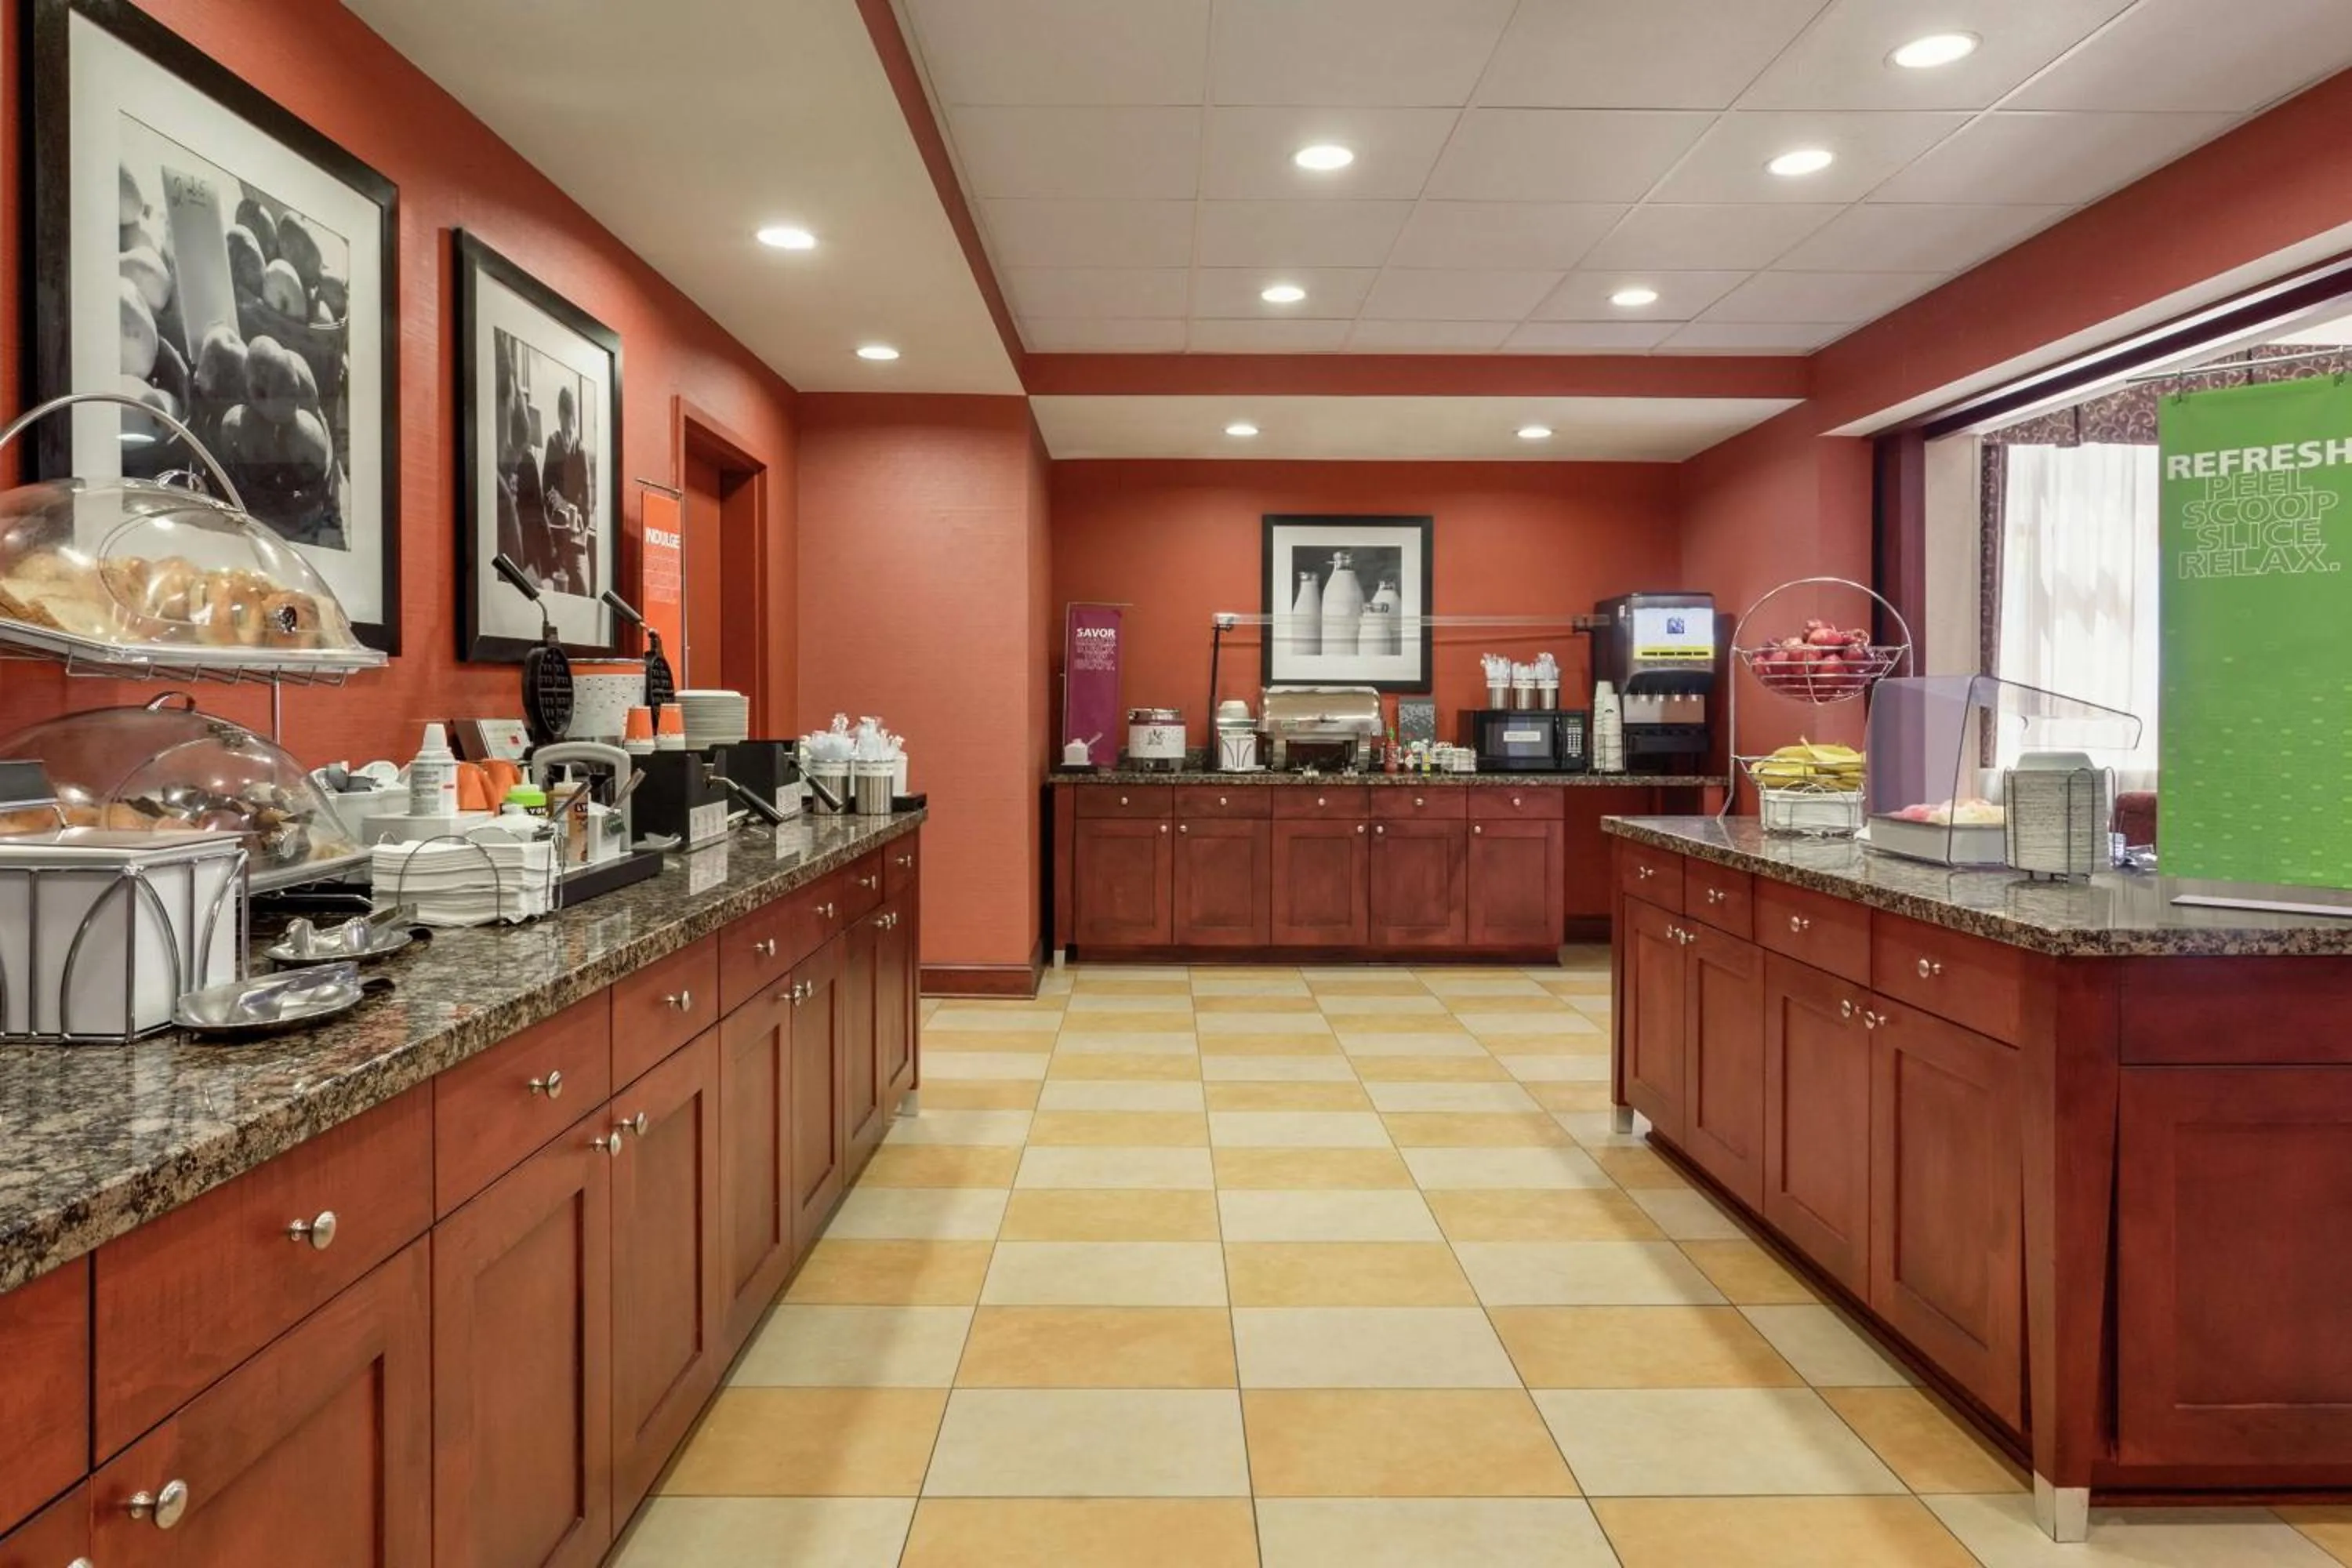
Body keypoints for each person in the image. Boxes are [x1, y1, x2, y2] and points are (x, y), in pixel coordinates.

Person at [540, 383, 595, 596]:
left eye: (570, 423)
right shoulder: (553, 442)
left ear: (573, 417)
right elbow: (547, 485)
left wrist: (579, 517)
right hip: (556, 527)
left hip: (576, 530)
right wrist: (558, 502)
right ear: (560, 415)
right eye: (564, 420)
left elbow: (587, 494)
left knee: (581, 587)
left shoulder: (580, 449)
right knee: (557, 585)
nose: (567, 430)